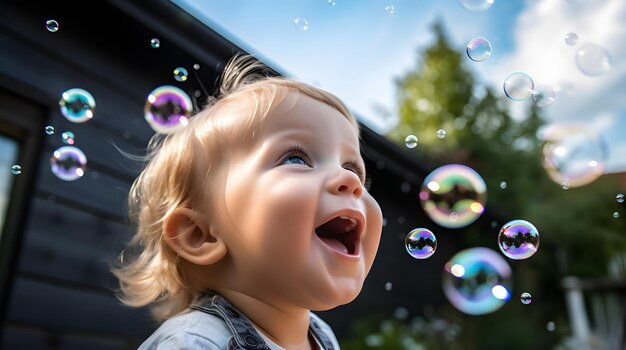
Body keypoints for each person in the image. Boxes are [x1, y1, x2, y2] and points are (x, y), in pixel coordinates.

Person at [112, 54, 383, 349]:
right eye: (297, 158)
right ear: (199, 235)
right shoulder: (192, 342)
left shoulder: (323, 337)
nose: (352, 182)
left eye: (352, 168)